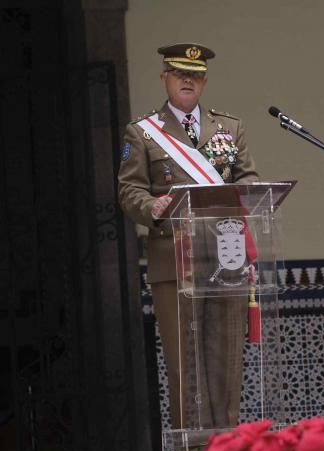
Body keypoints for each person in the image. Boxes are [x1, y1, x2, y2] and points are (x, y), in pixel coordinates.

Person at [117, 43, 260, 429]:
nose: (187, 80)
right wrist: (153, 208)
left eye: (195, 75)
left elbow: (247, 180)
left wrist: (250, 193)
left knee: (226, 360)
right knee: (186, 363)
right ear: (164, 78)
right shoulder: (143, 132)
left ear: (204, 82)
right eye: (180, 73)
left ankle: (227, 445)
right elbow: (129, 191)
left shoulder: (229, 128)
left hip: (225, 257)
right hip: (174, 257)